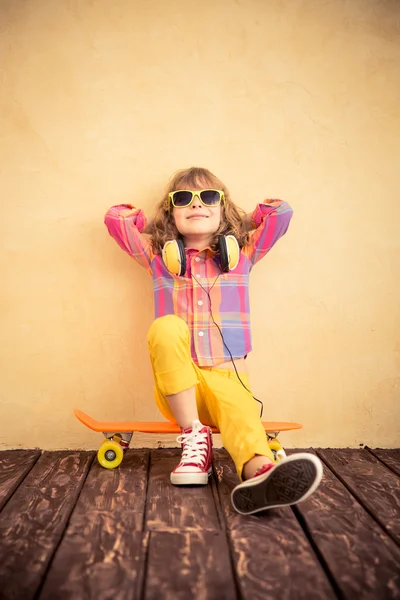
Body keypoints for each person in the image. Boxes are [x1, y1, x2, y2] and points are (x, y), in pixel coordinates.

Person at [104, 166, 322, 515]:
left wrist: (243, 218)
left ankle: (260, 477)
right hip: (179, 391)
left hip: (228, 377)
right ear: (171, 211)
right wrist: (154, 224)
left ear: (222, 208)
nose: (197, 205)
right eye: (183, 199)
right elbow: (116, 220)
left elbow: (282, 213)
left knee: (242, 416)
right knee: (165, 327)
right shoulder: (160, 260)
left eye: (208, 198)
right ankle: (195, 439)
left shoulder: (243, 257)